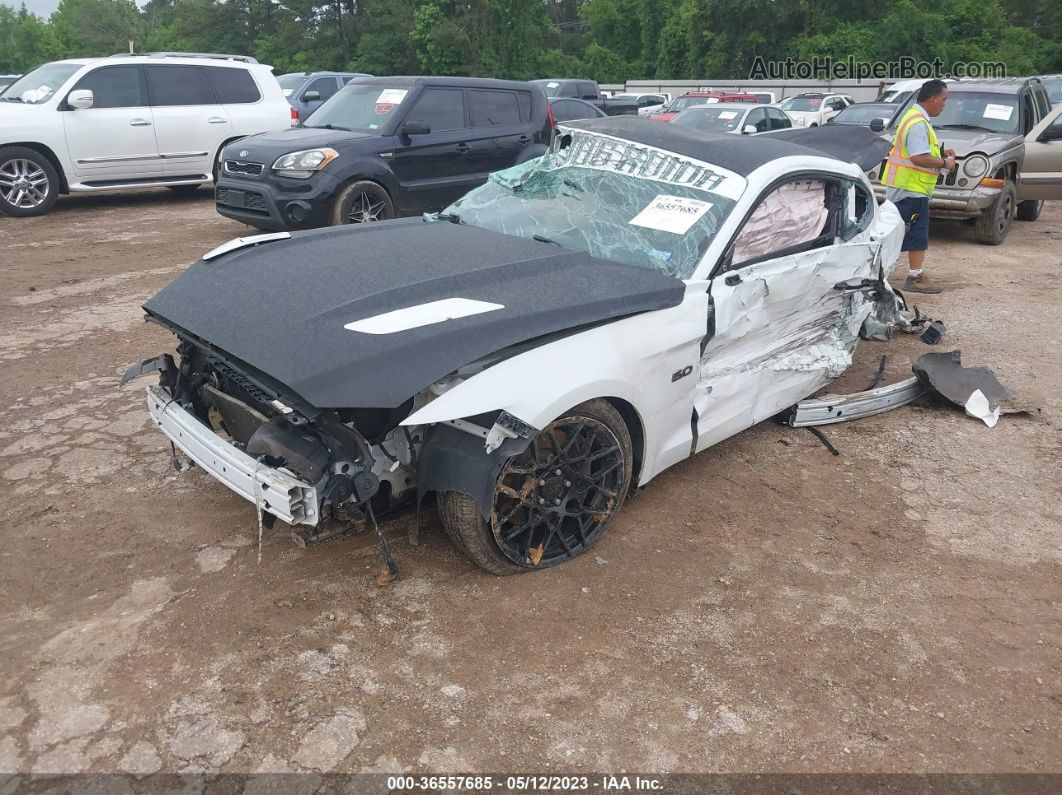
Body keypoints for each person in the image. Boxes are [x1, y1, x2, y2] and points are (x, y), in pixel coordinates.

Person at [881, 79, 956, 294]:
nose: (944, 104)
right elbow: (918, 157)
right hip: (910, 189)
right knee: (910, 234)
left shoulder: (916, 119)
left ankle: (913, 275)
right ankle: (913, 277)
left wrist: (941, 154)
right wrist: (945, 163)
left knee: (906, 233)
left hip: (909, 188)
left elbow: (919, 153)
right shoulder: (917, 123)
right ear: (933, 99)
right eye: (944, 100)